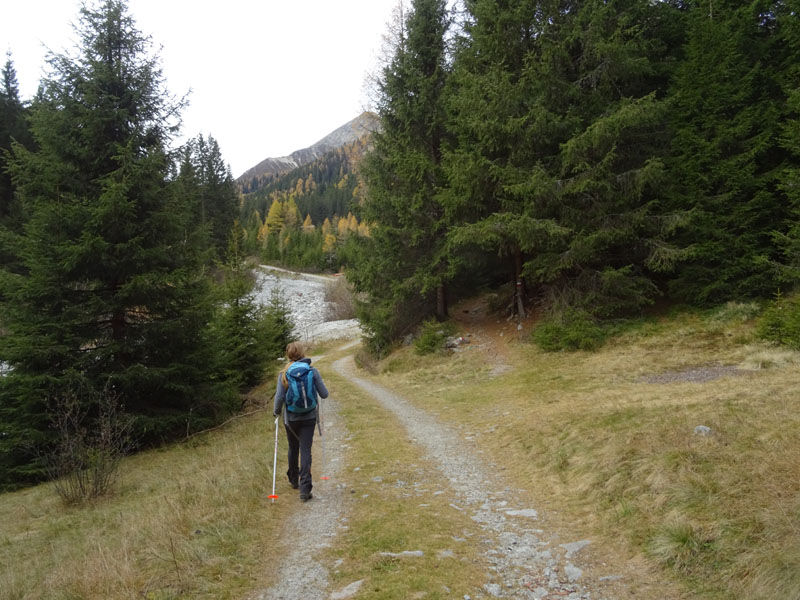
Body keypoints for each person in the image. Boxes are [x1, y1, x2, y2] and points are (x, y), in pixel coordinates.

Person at [273, 341, 329, 501]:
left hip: (290, 419)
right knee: (305, 450)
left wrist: (276, 412)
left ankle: (293, 479)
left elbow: (279, 398)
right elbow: (324, 394)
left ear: (288, 355)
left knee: (293, 448)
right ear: (303, 353)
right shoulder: (312, 371)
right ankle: (305, 490)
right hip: (309, 417)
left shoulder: (284, 374)